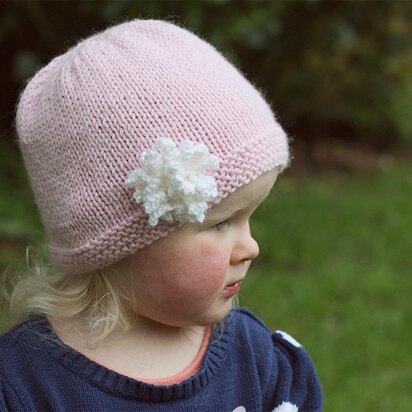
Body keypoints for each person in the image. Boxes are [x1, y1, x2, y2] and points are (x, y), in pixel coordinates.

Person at [0, 18, 323, 411]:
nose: (251, 247)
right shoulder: (25, 386)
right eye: (220, 222)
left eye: (248, 217)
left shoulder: (258, 362)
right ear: (117, 245)